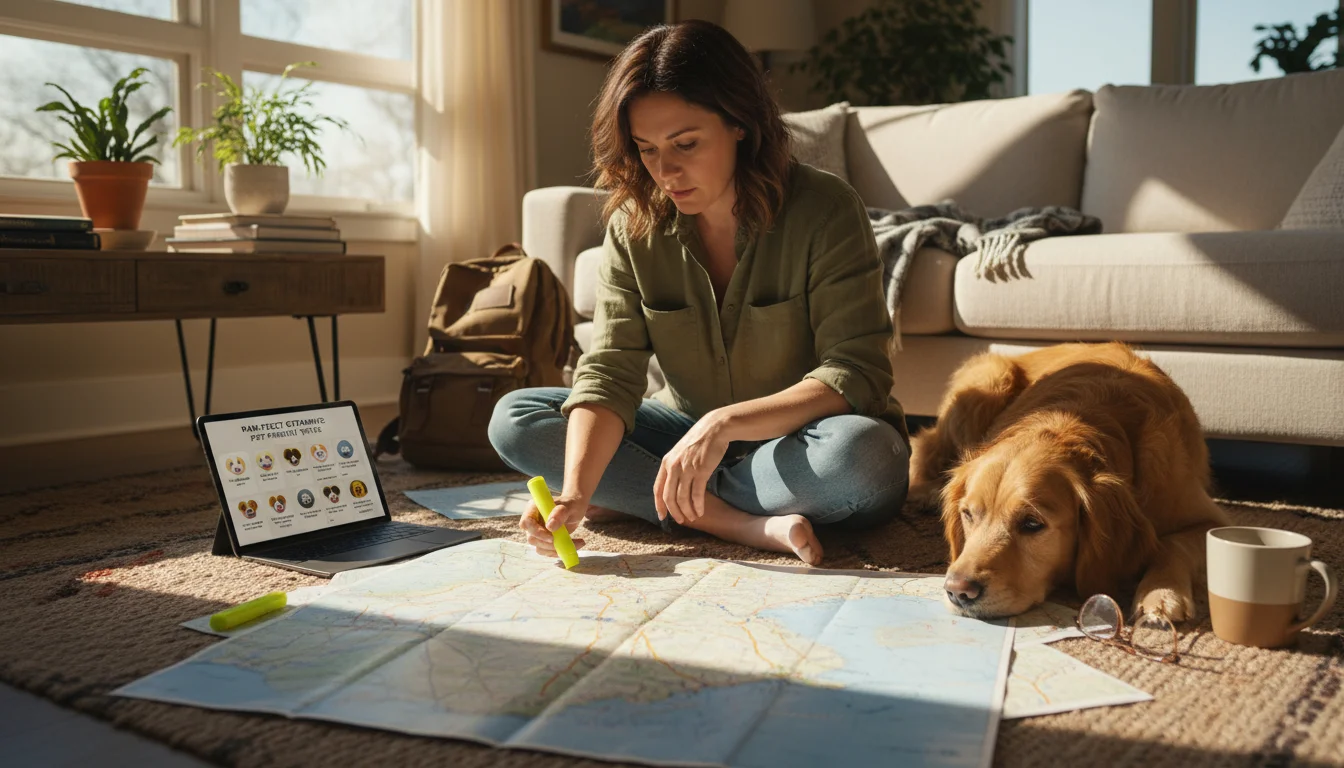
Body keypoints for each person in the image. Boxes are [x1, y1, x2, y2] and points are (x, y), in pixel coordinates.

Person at [489, 20, 909, 566]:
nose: (666, 171)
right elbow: (610, 368)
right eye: (647, 149)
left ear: (739, 123)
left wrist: (723, 423)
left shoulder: (826, 207)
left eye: (686, 144)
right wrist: (574, 491)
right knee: (517, 418)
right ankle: (739, 523)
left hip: (803, 443)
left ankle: (646, 496)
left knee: (864, 458)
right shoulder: (633, 225)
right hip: (683, 432)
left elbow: (856, 372)